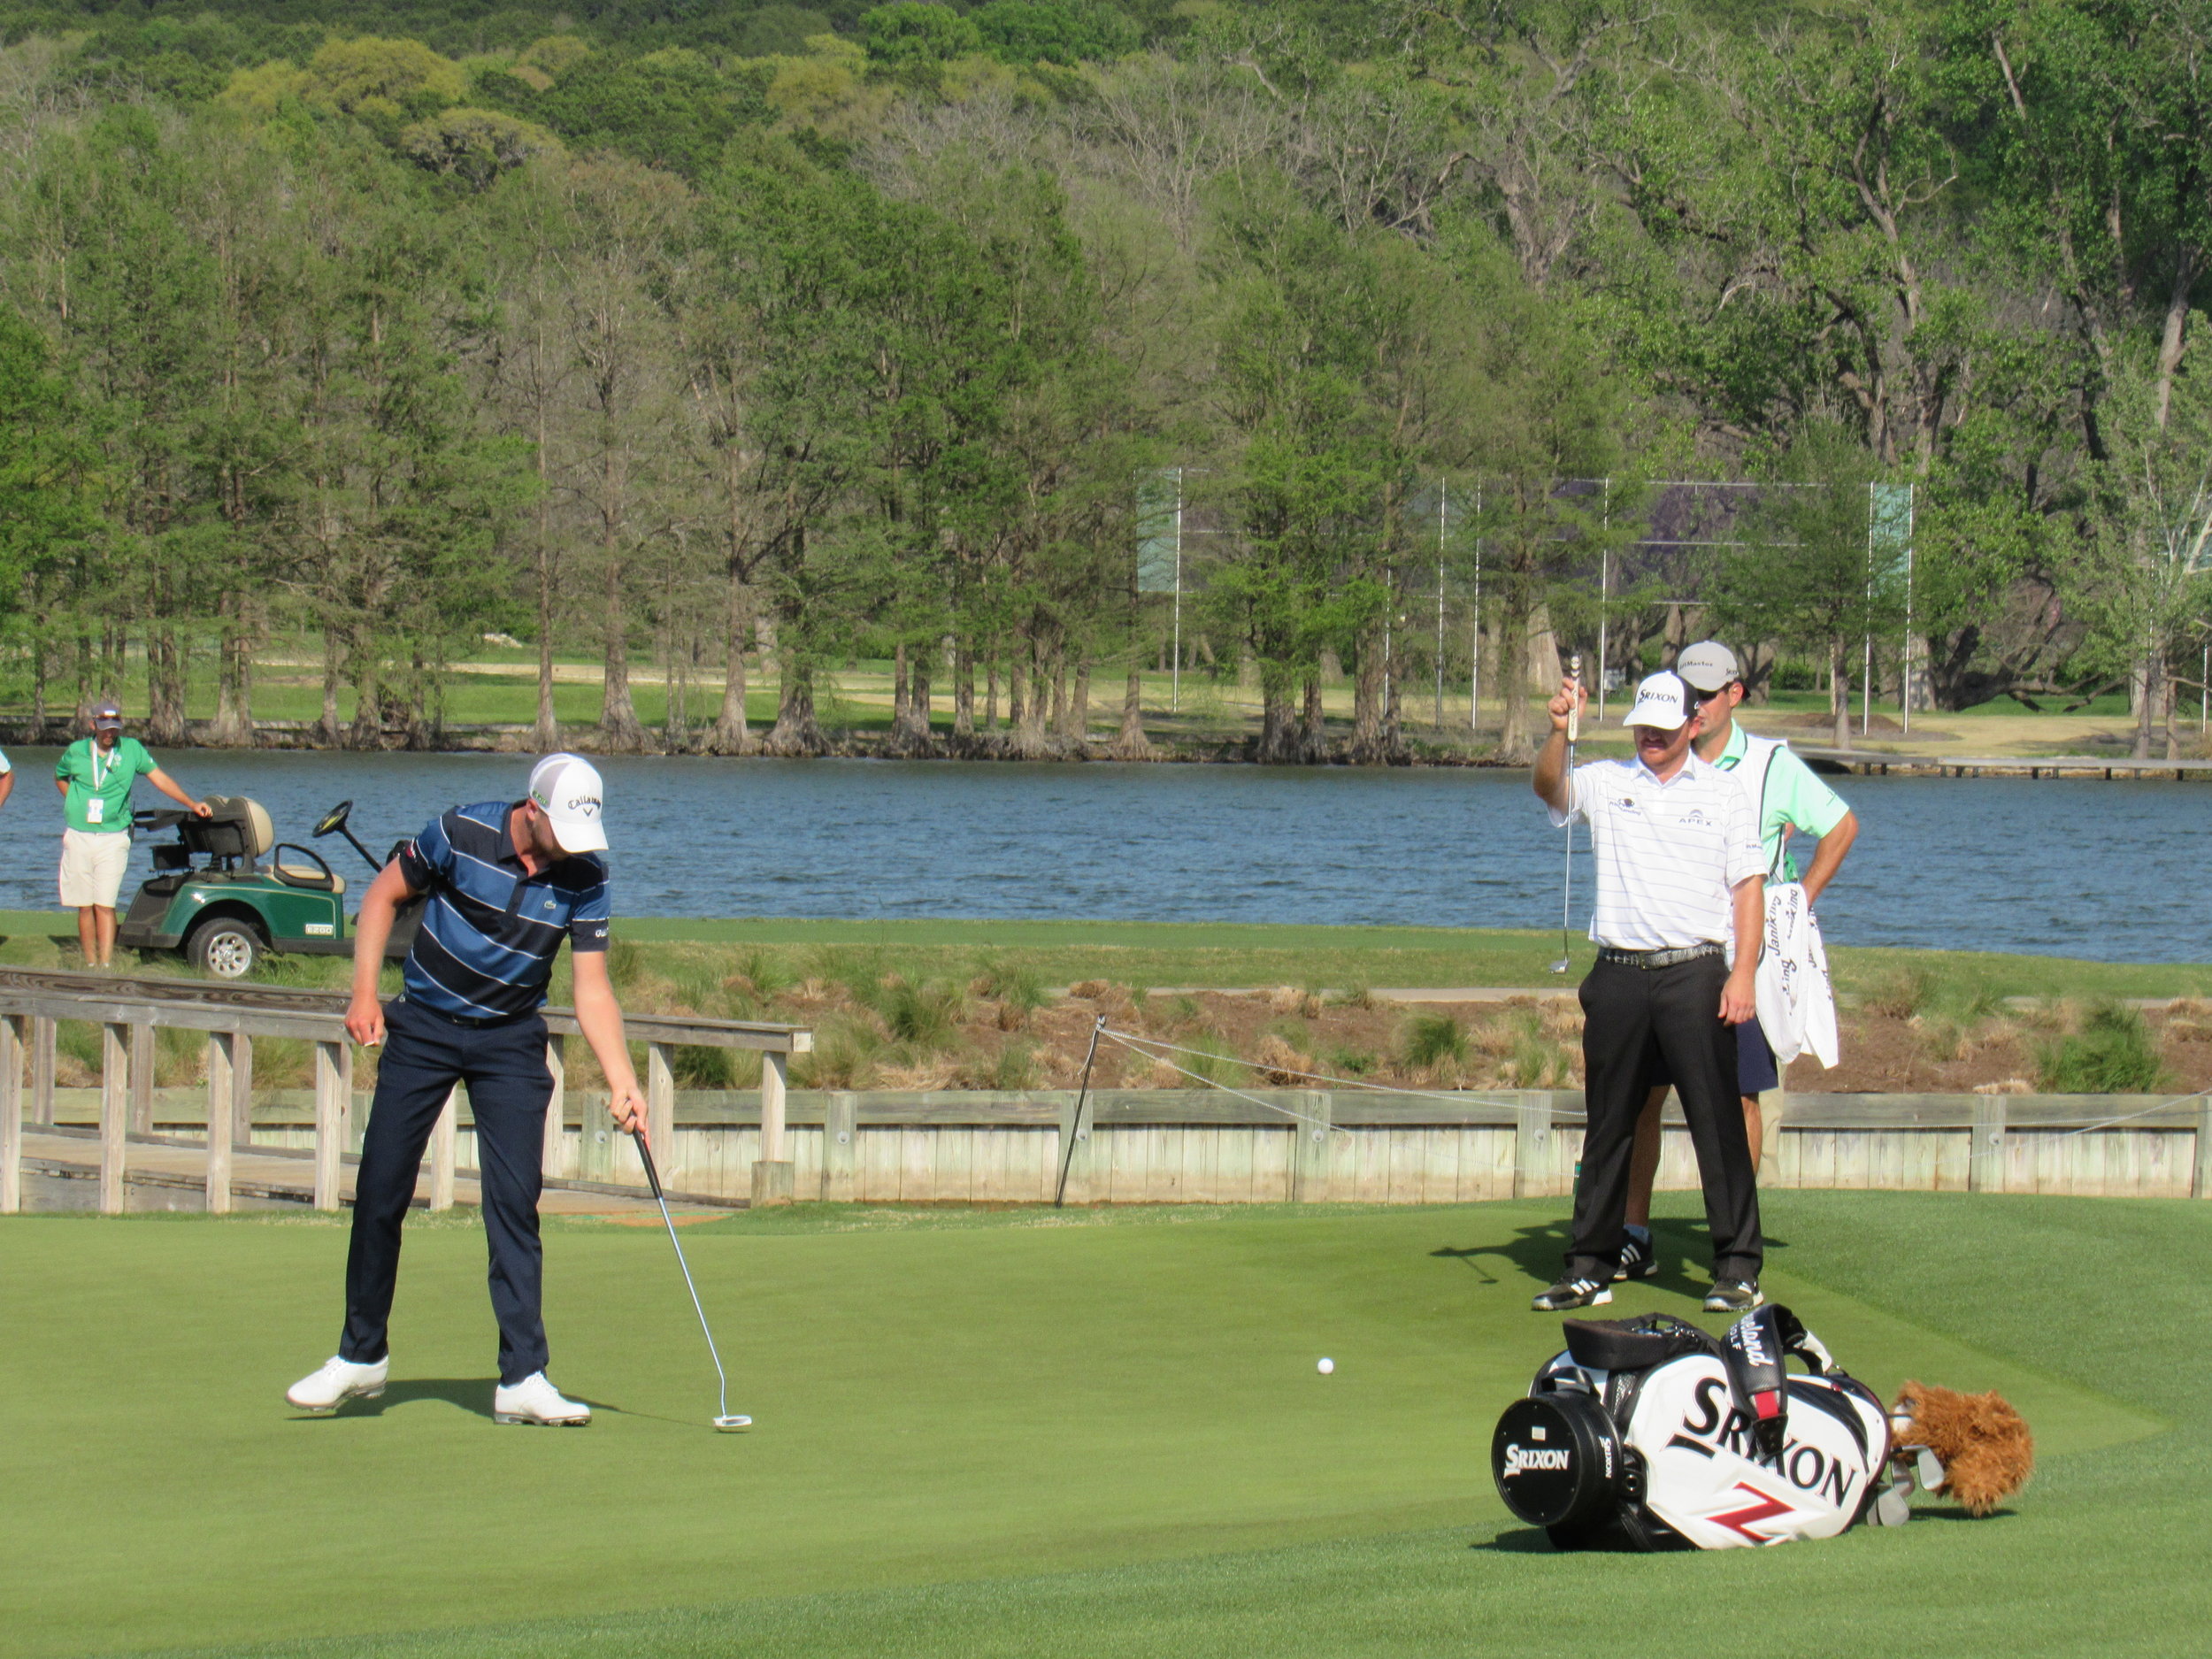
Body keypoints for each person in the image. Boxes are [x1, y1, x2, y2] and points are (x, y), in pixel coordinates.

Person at [286, 754, 649, 1426]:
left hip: (510, 1039)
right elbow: (381, 897)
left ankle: (523, 1375)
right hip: (422, 1026)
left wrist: (623, 1077)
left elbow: (592, 989)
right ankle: (361, 1355)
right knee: (381, 1189)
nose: (572, 846)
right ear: (532, 809)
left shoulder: (588, 875)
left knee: (514, 1204)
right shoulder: (457, 832)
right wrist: (365, 993)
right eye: (562, 829)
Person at [1613, 641, 1859, 1283]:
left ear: (1734, 695)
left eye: (1707, 694)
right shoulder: (1660, 757)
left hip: (1739, 958)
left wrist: (1797, 902)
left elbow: (1841, 826)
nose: (1694, 706)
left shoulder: (1771, 765)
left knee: (1743, 1097)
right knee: (1645, 1096)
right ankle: (1633, 1233)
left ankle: (1734, 1244)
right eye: (1685, 693)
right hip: (1665, 955)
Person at [1531, 669, 1768, 1314]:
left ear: (1693, 725)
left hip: (1695, 973)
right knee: (1608, 1125)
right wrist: (1558, 734)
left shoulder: (1722, 794)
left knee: (1715, 1122)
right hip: (1619, 974)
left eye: (1664, 729)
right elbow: (1549, 786)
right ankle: (1589, 1264)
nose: (1651, 739)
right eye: (1643, 727)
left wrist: (1743, 970)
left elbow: (1749, 889)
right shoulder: (1609, 782)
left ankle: (1738, 1267)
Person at [55, 700, 210, 969]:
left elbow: (159, 778)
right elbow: (60, 776)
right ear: (93, 725)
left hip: (113, 837)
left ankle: (105, 963)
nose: (109, 733)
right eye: (104, 728)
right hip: (79, 835)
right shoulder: (76, 751)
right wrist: (74, 802)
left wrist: (191, 803)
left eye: (114, 728)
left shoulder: (132, 750)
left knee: (104, 903)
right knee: (84, 905)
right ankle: (89, 964)